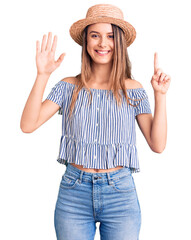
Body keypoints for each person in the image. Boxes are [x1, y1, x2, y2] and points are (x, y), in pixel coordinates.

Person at [20, 3, 171, 240]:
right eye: (95, 35)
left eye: (110, 36)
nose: (103, 43)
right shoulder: (68, 86)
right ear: (86, 41)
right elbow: (28, 125)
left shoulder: (134, 90)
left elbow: (158, 144)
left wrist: (160, 96)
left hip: (120, 195)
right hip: (73, 195)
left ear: (119, 43)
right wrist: (42, 75)